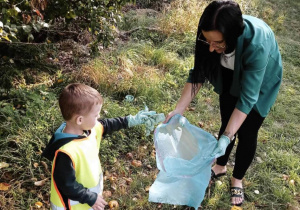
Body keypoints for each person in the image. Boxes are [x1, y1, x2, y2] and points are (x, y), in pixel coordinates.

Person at [164, 0, 282, 206]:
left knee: (247, 131)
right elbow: (198, 73)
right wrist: (178, 110)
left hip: (260, 82)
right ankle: (220, 166)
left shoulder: (257, 43)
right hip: (228, 72)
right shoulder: (211, 40)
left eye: (218, 43)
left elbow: (248, 98)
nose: (210, 48)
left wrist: (228, 136)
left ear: (233, 36)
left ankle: (237, 179)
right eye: (207, 41)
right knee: (227, 118)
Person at [42, 83, 160, 210]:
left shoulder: (89, 130)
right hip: (70, 206)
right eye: (96, 114)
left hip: (87, 201)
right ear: (80, 120)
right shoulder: (65, 152)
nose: (99, 117)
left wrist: (131, 120)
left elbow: (107, 124)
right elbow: (66, 185)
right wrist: (90, 198)